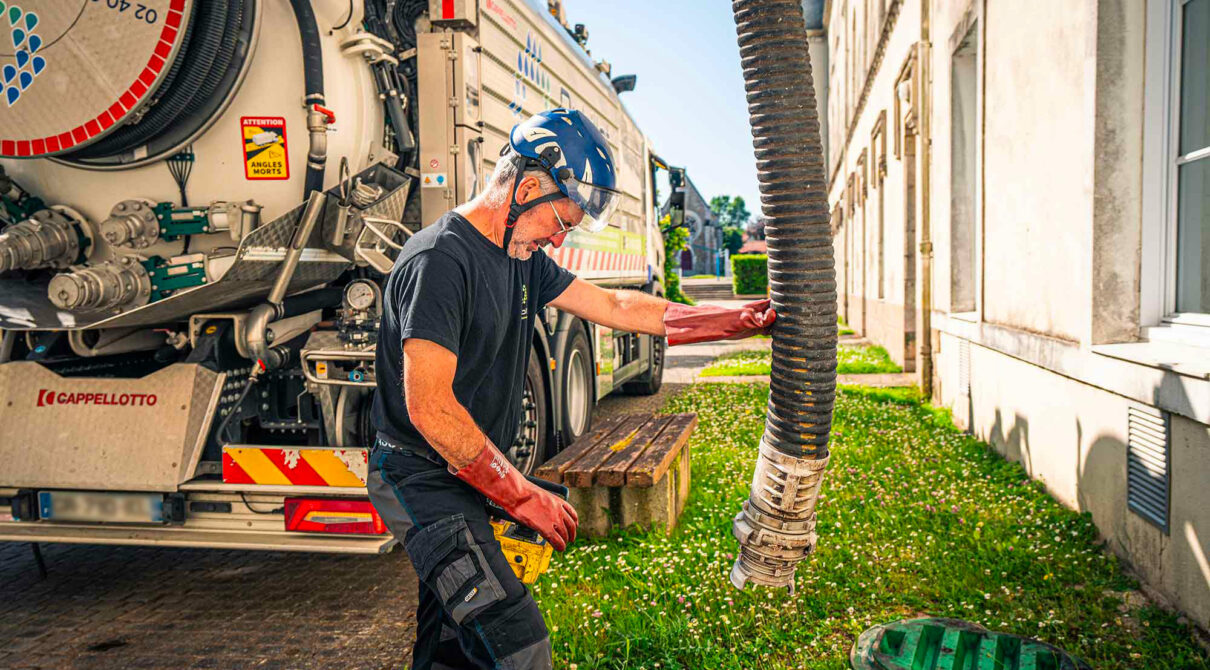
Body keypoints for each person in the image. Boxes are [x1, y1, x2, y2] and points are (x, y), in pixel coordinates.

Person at [367, 108, 775, 669]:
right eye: (561, 221)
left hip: (470, 472)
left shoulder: (521, 257)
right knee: (519, 643)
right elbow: (430, 408)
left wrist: (727, 320)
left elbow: (614, 305)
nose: (559, 240)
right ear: (527, 186)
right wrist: (521, 494)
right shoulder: (440, 261)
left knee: (453, 644)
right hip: (422, 476)